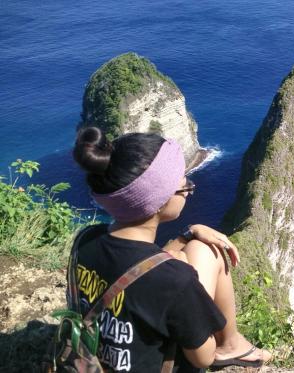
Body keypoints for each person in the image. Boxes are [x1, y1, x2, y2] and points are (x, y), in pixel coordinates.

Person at [72, 126, 272, 372]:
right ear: (155, 202)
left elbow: (139, 269)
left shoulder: (85, 240)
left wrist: (187, 235)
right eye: (182, 185)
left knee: (199, 247)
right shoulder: (177, 279)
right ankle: (231, 345)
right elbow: (204, 358)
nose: (189, 189)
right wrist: (188, 276)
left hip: (92, 360)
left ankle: (233, 342)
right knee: (211, 252)